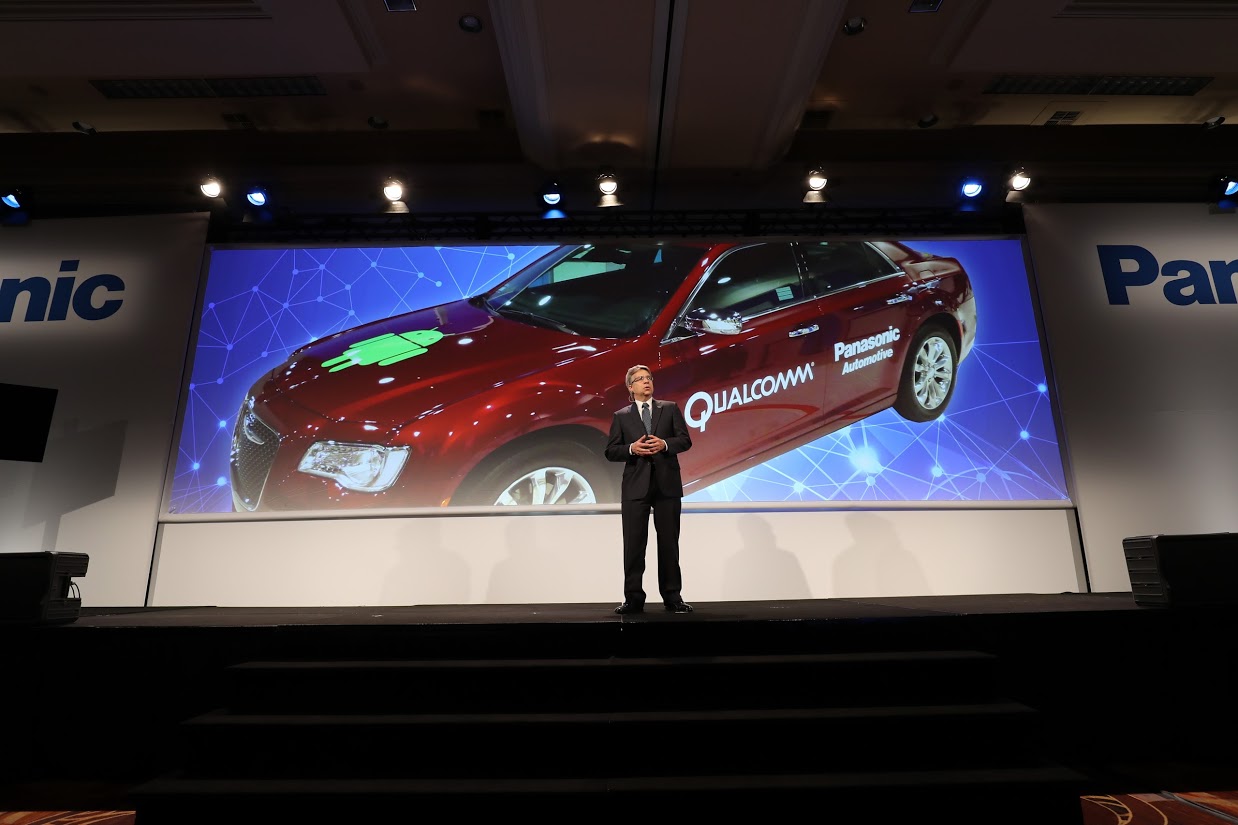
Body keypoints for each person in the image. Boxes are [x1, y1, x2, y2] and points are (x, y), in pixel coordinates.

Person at [604, 364, 693, 614]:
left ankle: (673, 597)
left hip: (667, 485)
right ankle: (633, 599)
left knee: (669, 544)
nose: (646, 382)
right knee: (634, 545)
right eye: (640, 379)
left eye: (649, 378)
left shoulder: (670, 408)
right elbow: (611, 451)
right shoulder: (621, 416)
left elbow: (685, 440)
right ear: (630, 388)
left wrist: (665, 444)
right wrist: (631, 449)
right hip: (635, 486)